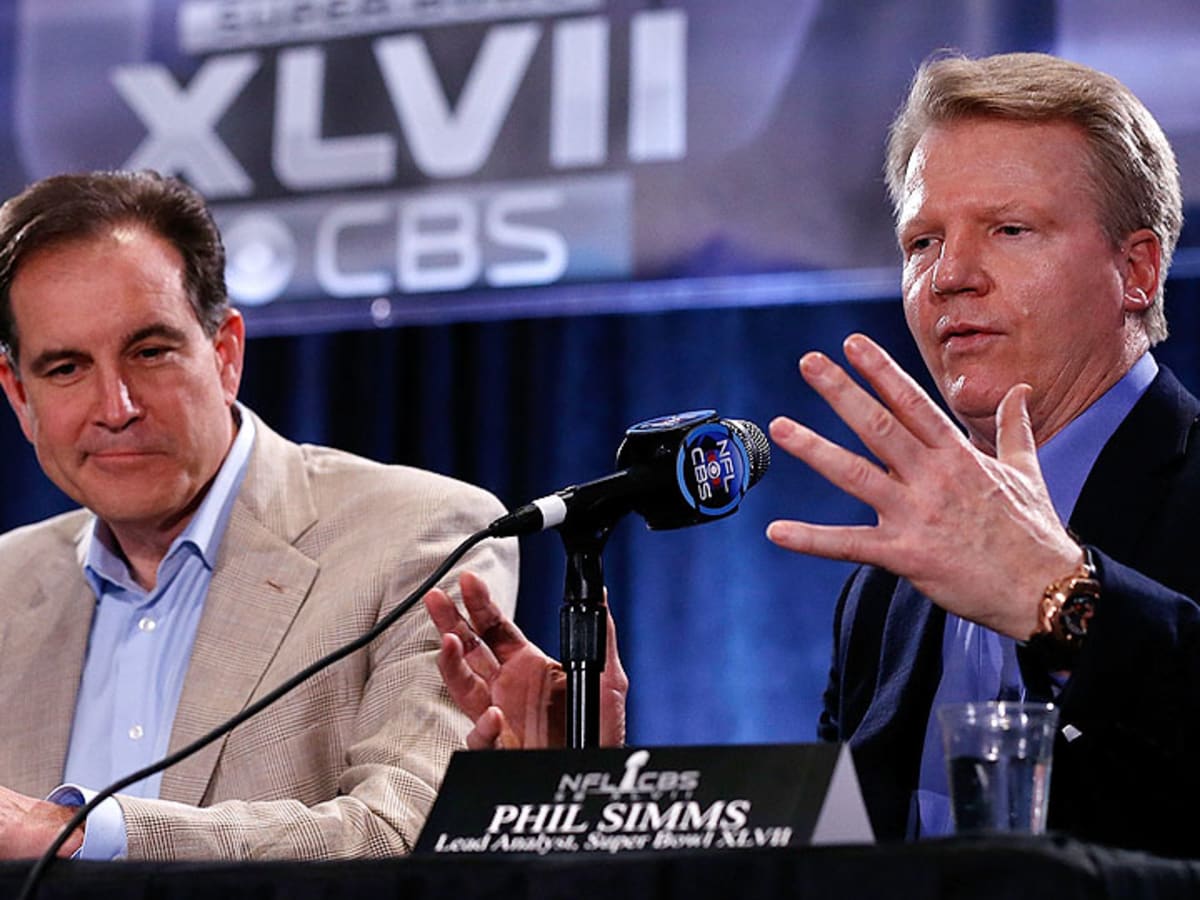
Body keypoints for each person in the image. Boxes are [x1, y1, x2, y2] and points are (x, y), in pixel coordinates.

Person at [423, 50, 1200, 858]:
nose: (950, 276)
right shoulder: (886, 588)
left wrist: (1064, 599)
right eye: (922, 241)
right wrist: (582, 797)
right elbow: (826, 870)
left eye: (1010, 229)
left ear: (1136, 269)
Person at [0, 170, 518, 860]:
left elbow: (403, 834)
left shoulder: (422, 537)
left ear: (225, 354)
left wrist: (85, 836)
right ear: (19, 396)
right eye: (65, 368)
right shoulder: (6, 584)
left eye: (150, 352)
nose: (116, 407)